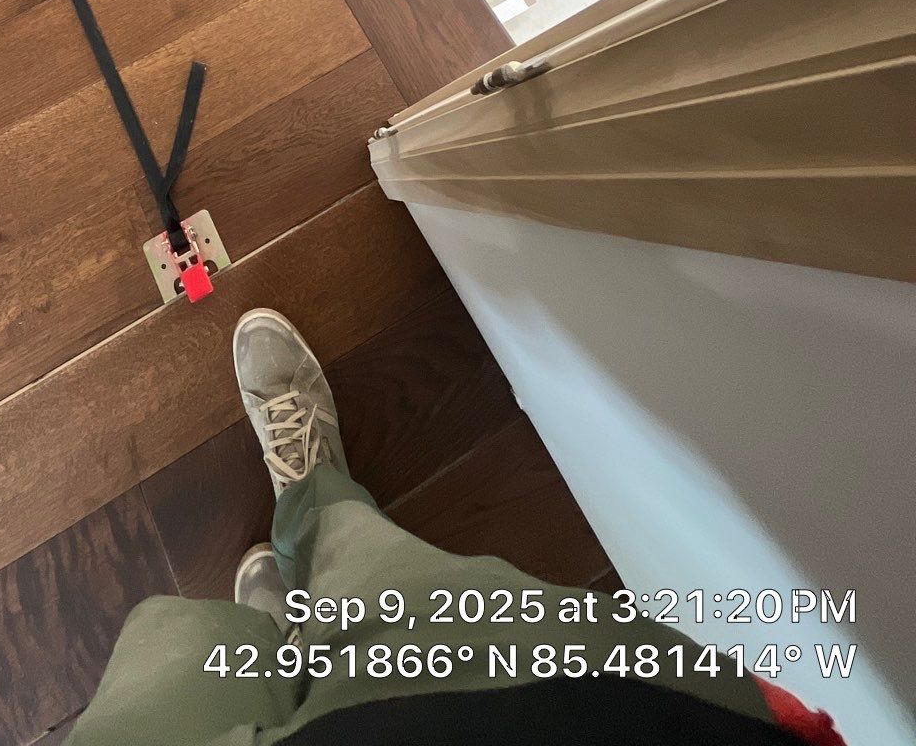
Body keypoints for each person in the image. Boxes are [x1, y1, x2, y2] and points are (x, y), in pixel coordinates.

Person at [70, 309, 845, 744]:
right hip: (583, 718)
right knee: (381, 579)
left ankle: (284, 644)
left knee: (168, 654)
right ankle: (314, 510)